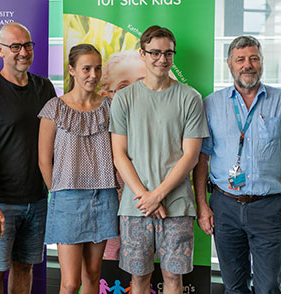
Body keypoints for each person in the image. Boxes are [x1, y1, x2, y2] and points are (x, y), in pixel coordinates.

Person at [193, 35, 281, 294]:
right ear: (229, 64)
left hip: (267, 209)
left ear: (262, 63)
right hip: (224, 206)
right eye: (240, 59)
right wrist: (202, 206)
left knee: (268, 286)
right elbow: (202, 158)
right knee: (233, 286)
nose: (247, 65)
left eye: (254, 58)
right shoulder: (211, 104)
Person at [109, 25, 209, 294]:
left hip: (176, 206)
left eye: (168, 53)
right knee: (139, 280)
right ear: (142, 54)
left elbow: (191, 156)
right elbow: (119, 154)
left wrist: (158, 195)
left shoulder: (190, 98)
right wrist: (146, 196)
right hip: (135, 206)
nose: (162, 59)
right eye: (155, 52)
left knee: (173, 279)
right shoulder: (123, 98)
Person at [0, 22, 56, 293]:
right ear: (0, 50)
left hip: (38, 199)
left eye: (27, 45)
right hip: (3, 202)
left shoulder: (45, 88)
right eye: (15, 46)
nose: (23, 52)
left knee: (25, 266)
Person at [38, 43, 119, 294]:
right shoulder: (55, 108)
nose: (93, 75)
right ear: (72, 70)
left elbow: (120, 152)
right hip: (67, 199)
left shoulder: (110, 107)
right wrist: (59, 193)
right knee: (70, 283)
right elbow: (43, 159)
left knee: (93, 275)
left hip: (104, 196)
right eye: (86, 69)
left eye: (97, 68)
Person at [99, 49, 146, 260]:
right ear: (106, 95)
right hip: (112, 211)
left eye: (141, 83)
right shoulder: (101, 130)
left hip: (148, 208)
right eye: (123, 87)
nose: (132, 93)